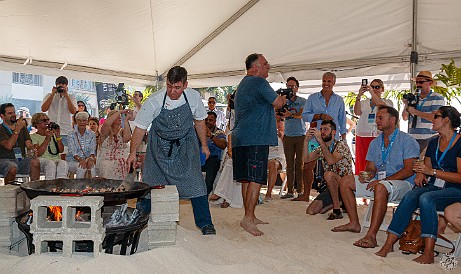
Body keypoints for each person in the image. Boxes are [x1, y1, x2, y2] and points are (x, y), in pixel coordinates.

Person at [126, 66, 216, 236]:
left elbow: (199, 122)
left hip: (185, 147)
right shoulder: (154, 100)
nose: (172, 91)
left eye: (177, 87)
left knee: (196, 183)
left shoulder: (193, 97)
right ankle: (137, 221)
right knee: (150, 185)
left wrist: (204, 145)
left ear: (185, 85)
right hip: (158, 147)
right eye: (169, 86)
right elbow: (139, 129)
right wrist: (132, 152)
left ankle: (206, 224)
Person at [376, 106, 461, 264]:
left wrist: (433, 172)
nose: (431, 119)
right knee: (410, 196)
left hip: (455, 189)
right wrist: (421, 173)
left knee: (427, 199)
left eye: (435, 116)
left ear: (446, 120)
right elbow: (427, 165)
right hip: (435, 185)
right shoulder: (434, 141)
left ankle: (428, 252)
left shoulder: (459, 142)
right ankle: (389, 244)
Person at [332, 106, 419, 249]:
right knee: (346, 180)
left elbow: (409, 170)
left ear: (392, 120)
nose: (376, 121)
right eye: (377, 118)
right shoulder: (375, 143)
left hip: (403, 184)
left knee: (380, 186)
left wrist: (384, 181)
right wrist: (367, 175)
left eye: (380, 118)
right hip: (380, 182)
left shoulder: (407, 140)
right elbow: (371, 168)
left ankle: (371, 236)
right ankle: (354, 223)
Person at [232, 53, 286, 236]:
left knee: (247, 178)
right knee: (255, 178)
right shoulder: (260, 83)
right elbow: (278, 102)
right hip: (255, 137)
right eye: (265, 64)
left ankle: (250, 215)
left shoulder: (243, 84)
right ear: (255, 67)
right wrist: (283, 100)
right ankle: (248, 218)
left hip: (241, 137)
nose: (268, 67)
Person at [297, 72, 347, 202]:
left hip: (332, 141)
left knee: (334, 166)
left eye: (329, 81)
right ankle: (306, 194)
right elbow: (305, 116)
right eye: (324, 81)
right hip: (314, 138)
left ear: (334, 83)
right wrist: (319, 116)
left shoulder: (339, 100)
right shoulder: (312, 98)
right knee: (307, 165)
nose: (326, 84)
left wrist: (344, 138)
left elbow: (342, 120)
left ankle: (338, 197)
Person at [303, 120, 353, 219]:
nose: (322, 132)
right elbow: (306, 159)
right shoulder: (322, 148)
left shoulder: (342, 145)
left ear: (333, 132)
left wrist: (320, 141)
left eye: (326, 129)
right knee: (311, 211)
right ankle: (340, 201)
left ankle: (337, 210)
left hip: (346, 185)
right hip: (331, 187)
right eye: (321, 129)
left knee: (328, 175)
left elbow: (331, 161)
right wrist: (306, 141)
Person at [354, 79, 393, 174]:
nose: (374, 89)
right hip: (363, 136)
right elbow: (357, 112)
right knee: (362, 162)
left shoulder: (387, 102)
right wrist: (359, 96)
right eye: (372, 87)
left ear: (382, 89)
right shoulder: (364, 102)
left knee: (376, 162)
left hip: (378, 135)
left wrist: (371, 92)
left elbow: (383, 108)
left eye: (377, 87)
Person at [402, 71, 445, 154]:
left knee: (424, 164)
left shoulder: (437, 97)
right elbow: (405, 117)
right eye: (417, 82)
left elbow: (435, 118)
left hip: (429, 138)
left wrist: (416, 112)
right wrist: (406, 105)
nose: (418, 84)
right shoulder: (414, 98)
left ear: (429, 83)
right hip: (412, 138)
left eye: (421, 82)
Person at [279, 76, 306, 199]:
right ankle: (290, 191)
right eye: (288, 86)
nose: (290, 88)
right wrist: (282, 100)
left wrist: (291, 114)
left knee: (300, 164)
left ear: (297, 88)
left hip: (300, 135)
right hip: (288, 135)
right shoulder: (283, 100)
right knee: (289, 164)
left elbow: (301, 115)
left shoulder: (302, 100)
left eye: (292, 86)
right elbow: (278, 114)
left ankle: (300, 191)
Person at [0, 103, 40, 183]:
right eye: (10, 113)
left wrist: (32, 149)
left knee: (35, 162)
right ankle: (9, 193)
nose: (14, 115)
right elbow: (9, 146)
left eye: (14, 112)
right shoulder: (1, 129)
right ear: (2, 116)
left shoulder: (22, 127)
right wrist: (17, 129)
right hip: (4, 160)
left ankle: (34, 190)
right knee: (12, 168)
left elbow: (28, 144)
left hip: (20, 159)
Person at [41, 76, 77, 160]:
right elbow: (43, 109)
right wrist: (53, 94)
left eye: (63, 84)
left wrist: (66, 95)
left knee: (64, 156)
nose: (61, 86)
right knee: (51, 155)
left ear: (67, 86)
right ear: (56, 85)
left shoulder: (71, 97)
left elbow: (73, 111)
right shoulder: (49, 95)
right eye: (59, 84)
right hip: (51, 131)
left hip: (65, 131)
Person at [96, 109, 133, 180]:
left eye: (120, 116)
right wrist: (120, 111)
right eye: (116, 116)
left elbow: (127, 139)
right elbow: (107, 124)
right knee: (107, 166)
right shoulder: (105, 132)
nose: (119, 117)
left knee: (127, 165)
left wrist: (126, 120)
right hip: (106, 161)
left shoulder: (122, 132)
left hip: (122, 161)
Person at [30, 113, 68, 179]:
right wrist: (47, 139)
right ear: (36, 123)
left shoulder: (53, 135)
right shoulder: (33, 136)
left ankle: (60, 184)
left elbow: (61, 150)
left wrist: (58, 136)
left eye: (48, 120)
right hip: (42, 160)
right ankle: (50, 185)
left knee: (63, 163)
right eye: (44, 120)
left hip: (55, 159)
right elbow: (38, 153)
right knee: (50, 164)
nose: (47, 122)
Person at [202, 111, 227, 194]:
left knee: (212, 164)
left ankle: (206, 192)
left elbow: (223, 145)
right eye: (206, 119)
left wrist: (211, 136)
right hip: (200, 158)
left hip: (212, 159)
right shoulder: (199, 131)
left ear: (215, 122)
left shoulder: (219, 132)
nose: (208, 122)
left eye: (210, 120)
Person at [68, 112, 97, 178]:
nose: (82, 122)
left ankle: (92, 187)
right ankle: (79, 187)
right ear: (76, 121)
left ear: (87, 121)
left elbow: (92, 150)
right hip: (72, 160)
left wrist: (90, 159)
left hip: (87, 159)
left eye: (84, 120)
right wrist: (81, 160)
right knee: (82, 168)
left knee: (92, 168)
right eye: (79, 120)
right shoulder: (71, 134)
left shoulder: (92, 134)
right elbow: (73, 152)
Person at [265, 117, 286, 201]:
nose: (278, 123)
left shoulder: (286, 135)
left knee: (273, 164)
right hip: (266, 157)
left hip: (279, 159)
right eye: (276, 121)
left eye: (281, 121)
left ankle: (268, 194)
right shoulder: (266, 133)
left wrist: (283, 137)